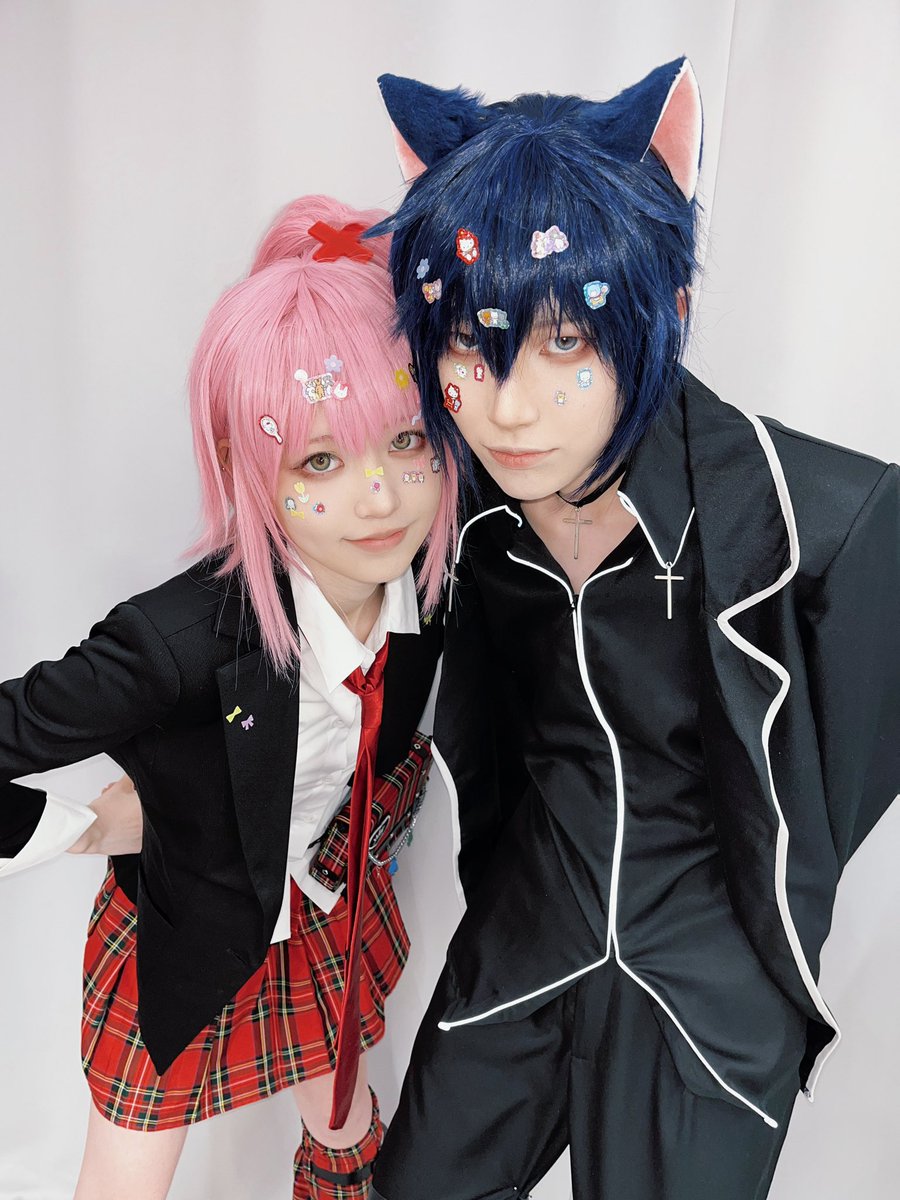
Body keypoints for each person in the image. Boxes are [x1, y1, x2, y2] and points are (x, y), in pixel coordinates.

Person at [365, 57, 900, 1199]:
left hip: (706, 982)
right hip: (527, 934)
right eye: (470, 341)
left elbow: (842, 782)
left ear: (669, 313)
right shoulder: (459, 516)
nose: (509, 405)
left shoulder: (828, 519)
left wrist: (755, 933)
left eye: (566, 342)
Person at [0, 194, 457, 1200]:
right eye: (322, 460)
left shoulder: (436, 587)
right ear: (245, 465)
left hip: (327, 916)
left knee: (349, 1132)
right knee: (125, 1181)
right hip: (190, 938)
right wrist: (77, 828)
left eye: (408, 441)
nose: (381, 497)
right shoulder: (170, 644)